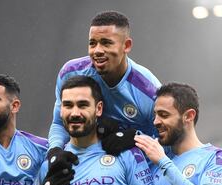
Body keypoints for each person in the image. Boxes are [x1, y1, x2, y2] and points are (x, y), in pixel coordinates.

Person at [41, 75, 154, 185]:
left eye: (83, 105)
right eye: (68, 105)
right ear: (60, 110)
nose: (75, 113)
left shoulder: (126, 152)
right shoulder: (52, 165)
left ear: (99, 108)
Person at [47, 10, 162, 162]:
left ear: (126, 46)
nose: (97, 51)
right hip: (86, 162)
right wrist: (55, 150)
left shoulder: (149, 90)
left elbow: (167, 142)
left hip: (136, 168)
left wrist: (135, 138)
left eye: (106, 43)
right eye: (92, 43)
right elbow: (58, 123)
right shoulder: (70, 73)